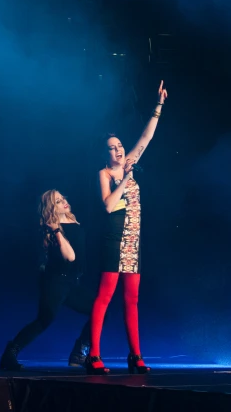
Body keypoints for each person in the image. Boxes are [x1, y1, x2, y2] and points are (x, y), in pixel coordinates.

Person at [86, 80, 168, 375]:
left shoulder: (130, 160)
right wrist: (124, 178)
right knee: (105, 296)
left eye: (120, 146)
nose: (119, 151)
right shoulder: (105, 173)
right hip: (115, 236)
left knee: (131, 299)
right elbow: (108, 205)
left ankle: (135, 355)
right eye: (112, 148)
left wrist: (158, 106)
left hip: (133, 239)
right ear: (105, 153)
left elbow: (146, 138)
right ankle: (93, 354)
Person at [0, 189, 95, 371]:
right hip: (55, 282)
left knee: (100, 311)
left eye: (63, 198)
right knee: (44, 320)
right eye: (58, 201)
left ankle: (79, 351)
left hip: (72, 282)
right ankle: (10, 353)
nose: (64, 202)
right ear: (51, 207)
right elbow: (70, 257)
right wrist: (57, 231)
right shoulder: (51, 228)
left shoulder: (72, 219)